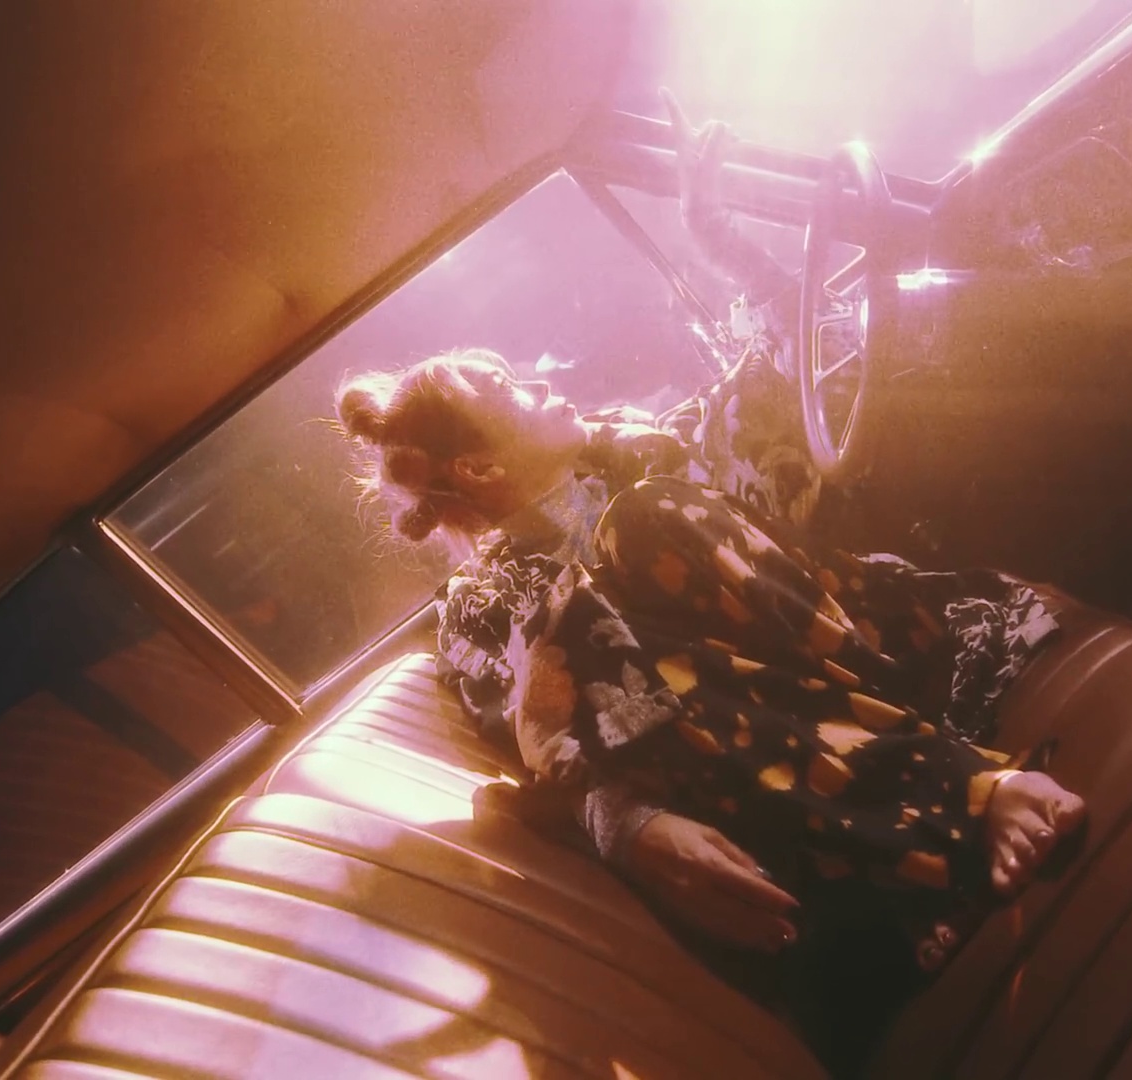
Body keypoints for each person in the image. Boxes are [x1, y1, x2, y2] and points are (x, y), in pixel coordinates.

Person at [333, 100, 1086, 1076]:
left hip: (877, 643)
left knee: (645, 522)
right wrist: (626, 824)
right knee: (602, 649)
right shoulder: (484, 608)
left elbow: (805, 376)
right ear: (478, 469)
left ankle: (958, 785)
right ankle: (954, 805)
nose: (547, 381)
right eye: (515, 390)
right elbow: (548, 727)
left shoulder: (655, 457)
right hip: (763, 743)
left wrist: (720, 240)